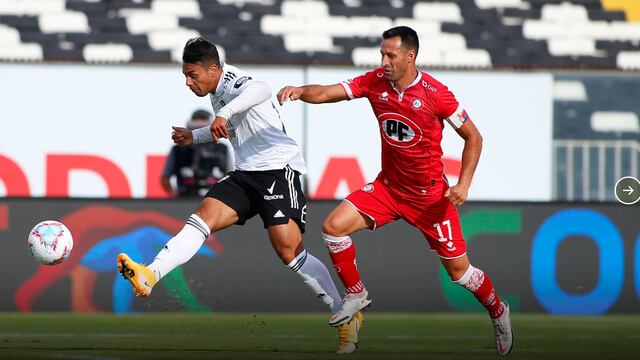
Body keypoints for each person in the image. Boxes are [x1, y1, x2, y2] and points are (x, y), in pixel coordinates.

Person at [277, 26, 514, 356]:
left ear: (410, 56)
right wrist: (301, 91)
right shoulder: (375, 82)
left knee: (461, 274)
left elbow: (474, 137)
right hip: (388, 188)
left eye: (390, 55)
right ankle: (357, 295)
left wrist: (463, 183)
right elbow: (330, 92)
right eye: (382, 54)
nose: (384, 60)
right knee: (333, 229)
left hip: (430, 198)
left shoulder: (436, 93)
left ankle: (498, 311)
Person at [117, 37, 362, 354]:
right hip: (246, 173)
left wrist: (223, 113)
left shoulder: (234, 82)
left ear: (214, 69)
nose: (188, 82)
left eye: (192, 75)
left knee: (288, 252)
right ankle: (150, 274)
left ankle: (346, 315)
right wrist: (195, 136)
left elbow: (260, 89)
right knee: (202, 218)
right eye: (185, 76)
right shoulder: (217, 94)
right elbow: (229, 128)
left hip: (277, 168)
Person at [160, 109, 233, 197]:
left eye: (202, 120)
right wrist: (175, 197)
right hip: (185, 197)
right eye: (196, 120)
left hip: (214, 197)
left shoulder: (222, 148)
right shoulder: (177, 149)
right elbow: (165, 178)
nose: (199, 123)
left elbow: (230, 176)